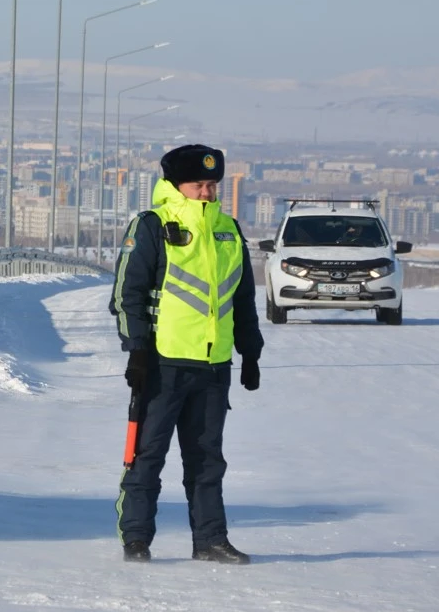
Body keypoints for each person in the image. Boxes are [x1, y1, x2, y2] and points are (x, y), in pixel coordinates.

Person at [109, 144, 264, 564]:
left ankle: (211, 541)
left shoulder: (228, 230)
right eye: (199, 184)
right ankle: (137, 541)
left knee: (207, 462)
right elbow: (128, 295)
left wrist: (251, 353)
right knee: (146, 458)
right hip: (162, 366)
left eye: (212, 184)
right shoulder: (152, 225)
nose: (207, 192)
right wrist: (137, 350)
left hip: (213, 368)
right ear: (177, 185)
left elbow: (243, 300)